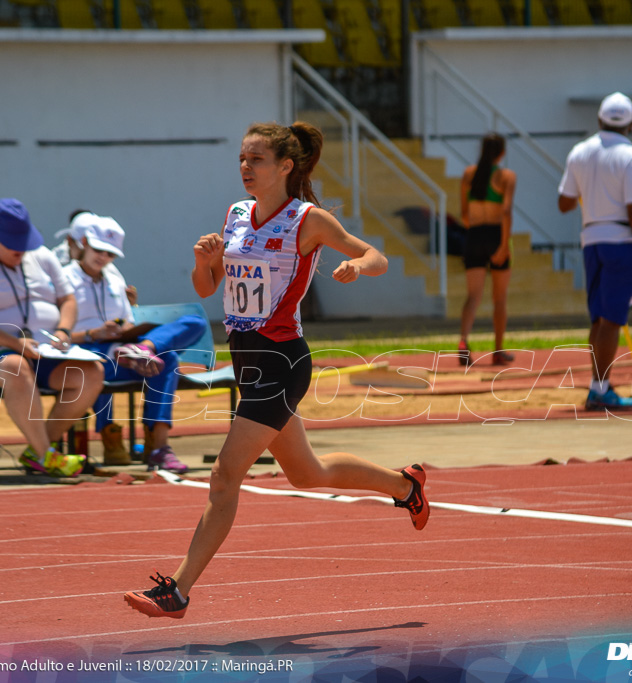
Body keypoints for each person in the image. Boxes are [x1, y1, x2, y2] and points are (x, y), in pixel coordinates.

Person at [123, 121, 429, 619]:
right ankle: (405, 485)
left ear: (286, 166)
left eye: (257, 159)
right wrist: (205, 262)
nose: (245, 168)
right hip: (246, 360)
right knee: (308, 473)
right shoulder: (236, 214)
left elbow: (378, 256)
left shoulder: (308, 221)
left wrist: (356, 266)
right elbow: (207, 289)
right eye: (242, 159)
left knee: (224, 477)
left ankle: (176, 590)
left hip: (282, 361)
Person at [0, 198, 104, 477]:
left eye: (22, 241)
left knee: (90, 373)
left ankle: (38, 450)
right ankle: (46, 456)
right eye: (11, 242)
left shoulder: (41, 257)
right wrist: (15, 344)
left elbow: (68, 299)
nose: (19, 249)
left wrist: (63, 330)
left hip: (38, 351)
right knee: (14, 365)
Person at [63, 217, 207, 471]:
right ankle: (152, 445)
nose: (104, 258)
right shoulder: (63, 279)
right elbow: (50, 335)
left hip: (124, 352)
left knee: (194, 322)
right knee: (166, 360)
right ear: (84, 243)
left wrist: (130, 331)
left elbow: (126, 321)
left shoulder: (114, 279)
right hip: (86, 356)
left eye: (110, 254)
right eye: (99, 250)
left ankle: (146, 349)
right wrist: (93, 334)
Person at [558, 91, 632, 411]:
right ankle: (600, 389)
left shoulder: (579, 152)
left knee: (598, 320)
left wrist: (588, 187)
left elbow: (564, 203)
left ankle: (597, 385)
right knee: (611, 321)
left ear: (599, 120)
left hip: (591, 239)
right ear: (630, 125)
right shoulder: (631, 156)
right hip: (621, 241)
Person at [457, 133, 516, 366]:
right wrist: (503, 244)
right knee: (499, 297)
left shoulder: (468, 174)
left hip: (473, 235)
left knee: (473, 295)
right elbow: (506, 212)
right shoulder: (506, 176)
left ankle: (463, 341)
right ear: (502, 152)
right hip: (495, 235)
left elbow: (463, 214)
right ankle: (498, 350)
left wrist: (476, 234)